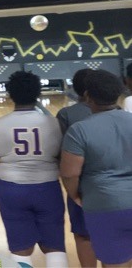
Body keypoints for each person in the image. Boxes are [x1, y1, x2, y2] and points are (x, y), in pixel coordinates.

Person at [0, 71, 68, 267]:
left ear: (10, 94)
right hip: (47, 188)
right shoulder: (55, 123)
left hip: (11, 190)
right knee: (54, 246)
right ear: (38, 93)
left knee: (20, 247)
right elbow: (64, 158)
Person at [61, 69, 132, 267]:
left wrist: (75, 196)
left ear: (87, 96)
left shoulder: (79, 130)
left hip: (104, 204)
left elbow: (69, 174)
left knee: (115, 264)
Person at [55, 69, 97, 268]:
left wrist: (72, 192)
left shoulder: (66, 114)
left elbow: (61, 154)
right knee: (115, 235)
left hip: (80, 185)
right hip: (118, 188)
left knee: (83, 234)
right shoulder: (119, 113)